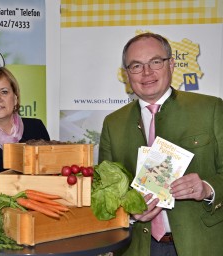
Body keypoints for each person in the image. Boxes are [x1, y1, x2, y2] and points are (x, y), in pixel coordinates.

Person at [99, 32, 223, 256]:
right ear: (127, 74)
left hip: (201, 245)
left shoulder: (210, 109)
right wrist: (129, 212)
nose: (147, 73)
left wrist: (207, 187)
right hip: (138, 247)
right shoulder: (113, 124)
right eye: (136, 66)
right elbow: (105, 194)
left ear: (171, 65)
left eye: (155, 62)